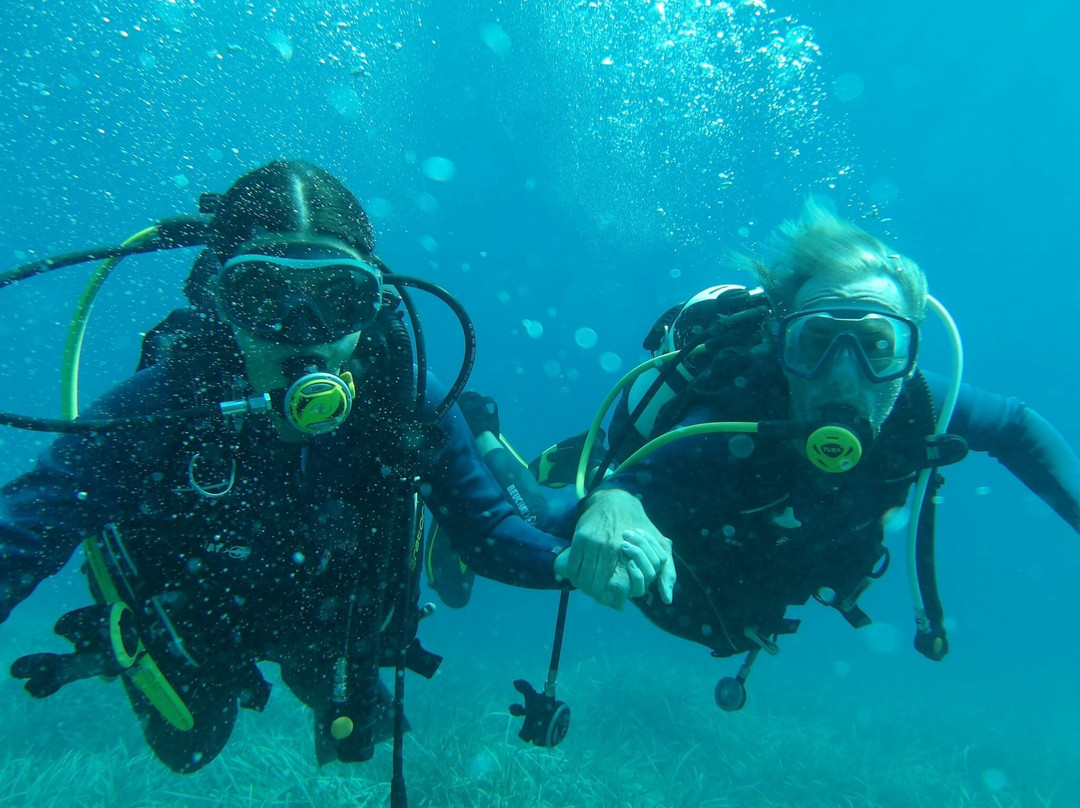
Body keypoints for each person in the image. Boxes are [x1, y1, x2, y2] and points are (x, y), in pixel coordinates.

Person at [0, 160, 594, 783]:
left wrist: (588, 538)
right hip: (206, 611)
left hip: (331, 616)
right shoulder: (169, 400)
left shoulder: (403, 399)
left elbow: (491, 526)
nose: (302, 333)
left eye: (338, 299)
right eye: (263, 297)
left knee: (359, 736)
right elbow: (34, 514)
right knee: (189, 747)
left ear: (373, 304)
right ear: (222, 303)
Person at [557, 199, 1080, 706]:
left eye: (876, 345)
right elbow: (630, 486)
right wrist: (610, 503)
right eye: (817, 341)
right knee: (549, 523)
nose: (845, 378)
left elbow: (1017, 425)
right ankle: (488, 435)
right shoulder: (738, 401)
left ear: (909, 352)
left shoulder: (920, 401)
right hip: (689, 596)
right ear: (783, 343)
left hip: (763, 594)